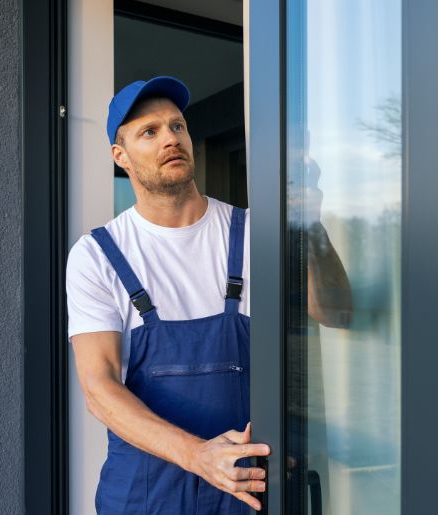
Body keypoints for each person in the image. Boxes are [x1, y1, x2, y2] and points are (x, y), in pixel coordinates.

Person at [66, 76, 351, 514]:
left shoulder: (258, 232)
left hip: (248, 489)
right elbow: (98, 386)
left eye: (177, 126)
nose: (171, 139)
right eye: (150, 131)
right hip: (146, 496)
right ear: (120, 156)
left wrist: (309, 226)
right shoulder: (98, 255)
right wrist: (199, 456)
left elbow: (335, 312)